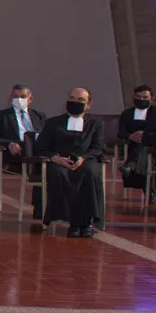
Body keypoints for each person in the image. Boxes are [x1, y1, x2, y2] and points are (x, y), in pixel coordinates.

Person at [35, 88, 105, 238]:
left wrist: (82, 158)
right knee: (59, 174)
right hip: (60, 161)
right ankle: (72, 222)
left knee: (90, 173)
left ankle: (86, 223)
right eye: (72, 98)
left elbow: (98, 148)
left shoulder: (95, 124)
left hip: (85, 160)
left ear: (88, 105)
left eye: (80, 100)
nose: (75, 102)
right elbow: (40, 147)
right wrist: (55, 158)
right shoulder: (53, 123)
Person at [0, 84, 46, 216]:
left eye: (22, 97)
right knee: (41, 163)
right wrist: (8, 143)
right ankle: (40, 207)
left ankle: (41, 206)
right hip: (14, 153)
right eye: (15, 97)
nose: (18, 100)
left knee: (45, 161)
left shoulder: (39, 116)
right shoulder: (0, 116)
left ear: (30, 99)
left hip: (35, 150)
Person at [119, 85, 156, 195]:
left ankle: (130, 165)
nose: (141, 99)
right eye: (138, 96)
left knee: (143, 144)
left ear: (152, 99)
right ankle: (150, 191)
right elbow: (121, 132)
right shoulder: (126, 113)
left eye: (144, 97)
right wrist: (130, 136)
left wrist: (145, 135)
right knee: (140, 147)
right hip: (131, 144)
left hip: (154, 145)